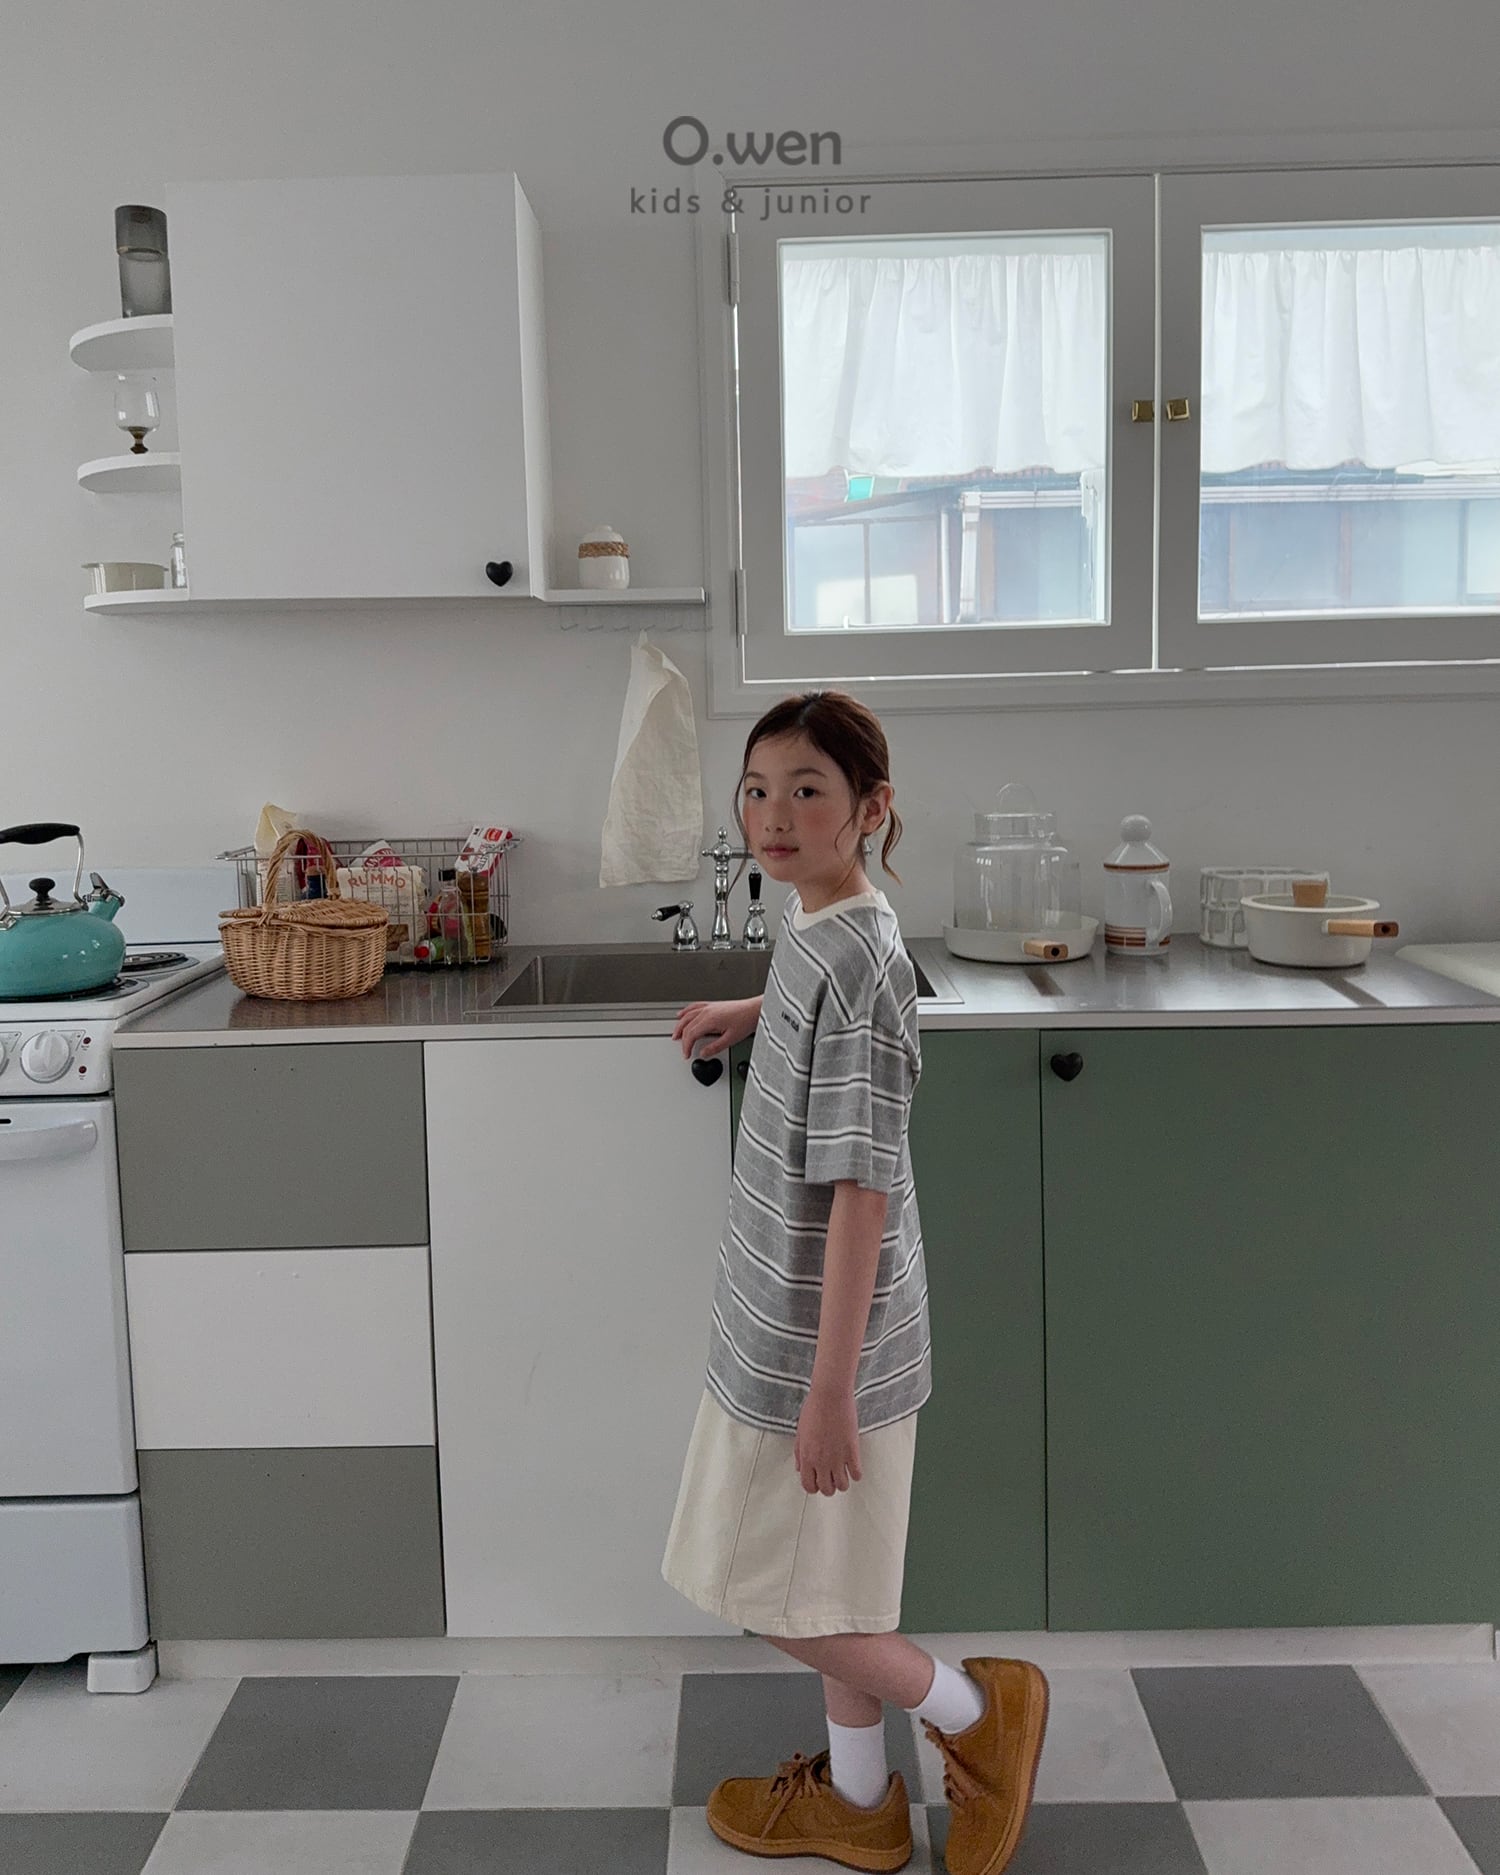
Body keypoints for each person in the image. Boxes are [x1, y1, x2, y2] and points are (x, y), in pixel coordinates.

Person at [662, 690, 1048, 1875]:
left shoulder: (861, 961)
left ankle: (977, 1715)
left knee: (770, 1595)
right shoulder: (825, 922)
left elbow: (861, 1195)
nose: (772, 816)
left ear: (871, 809)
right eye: (756, 789)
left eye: (806, 791)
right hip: (784, 1322)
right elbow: (823, 999)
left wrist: (827, 1394)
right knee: (829, 1586)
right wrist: (755, 1009)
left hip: (813, 1348)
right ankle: (862, 1800)